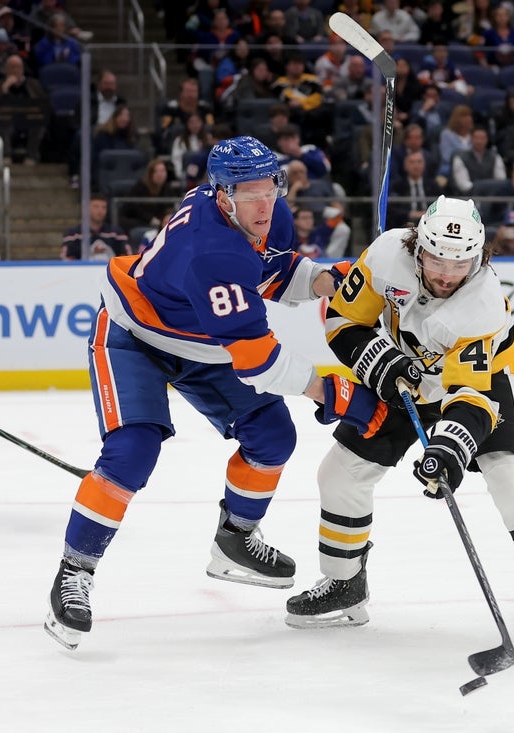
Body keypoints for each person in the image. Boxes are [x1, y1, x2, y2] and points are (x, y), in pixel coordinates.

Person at [43, 136, 385, 649]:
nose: (264, 203)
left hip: (201, 341)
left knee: (272, 435)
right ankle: (75, 573)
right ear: (222, 196)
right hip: (134, 335)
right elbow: (259, 361)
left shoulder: (262, 214)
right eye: (249, 193)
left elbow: (271, 272)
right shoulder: (210, 249)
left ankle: (236, 537)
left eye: (269, 188)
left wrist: (324, 280)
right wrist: (331, 392)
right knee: (132, 452)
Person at [284, 195, 514, 658]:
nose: (447, 274)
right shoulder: (386, 255)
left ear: (479, 257)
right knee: (341, 472)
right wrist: (377, 360)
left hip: (486, 383)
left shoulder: (483, 303)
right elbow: (343, 320)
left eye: (460, 263)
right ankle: (345, 584)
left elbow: (471, 398)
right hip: (405, 370)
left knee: (509, 474)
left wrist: (448, 449)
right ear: (417, 247)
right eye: (437, 260)